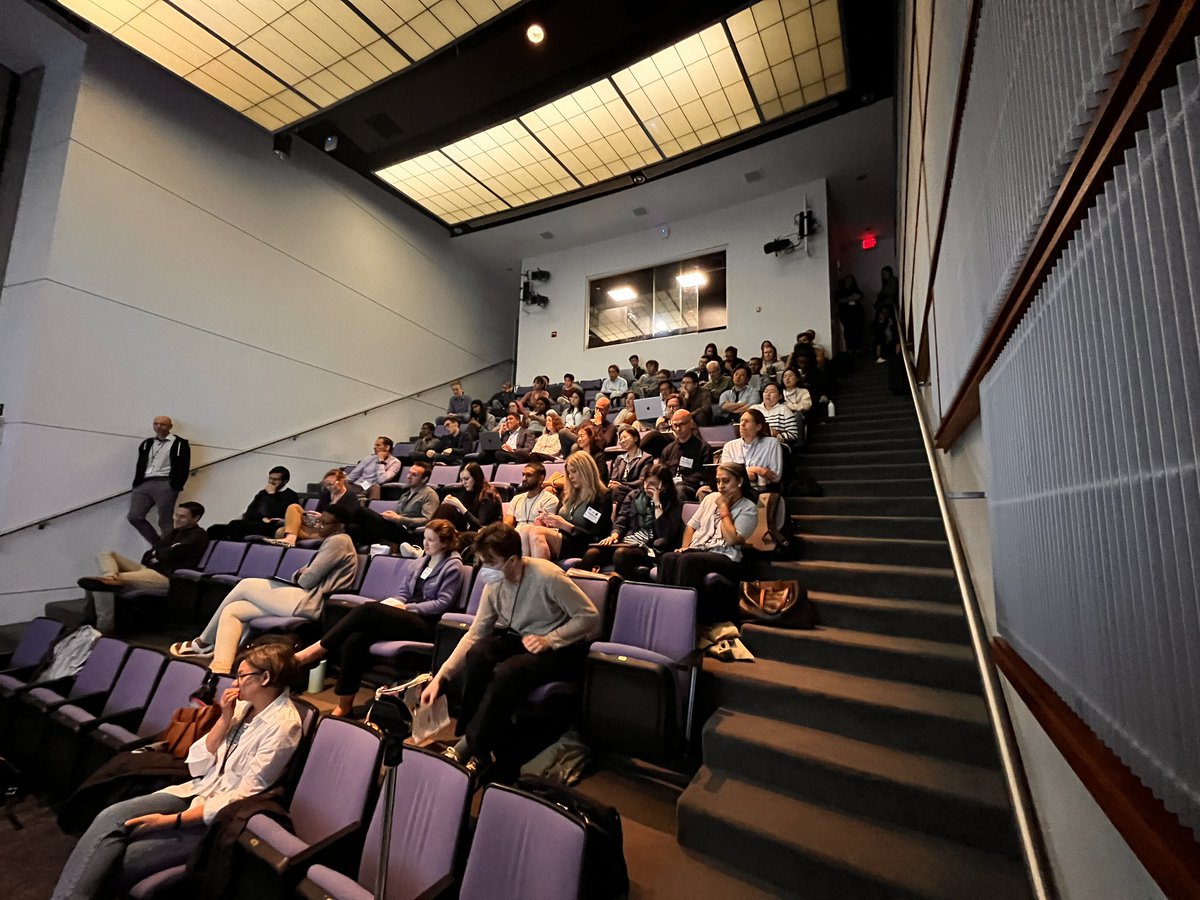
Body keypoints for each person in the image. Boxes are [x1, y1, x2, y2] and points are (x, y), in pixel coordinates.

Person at [51, 644, 303, 900]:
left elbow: (243, 795)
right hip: (197, 788)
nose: (235, 683)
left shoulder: (283, 726)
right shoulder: (241, 707)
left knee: (117, 859)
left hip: (218, 819)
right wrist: (224, 719)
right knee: (110, 816)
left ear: (265, 678)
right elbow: (197, 763)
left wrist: (171, 821)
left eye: (241, 675)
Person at [419, 523, 598, 771]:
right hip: (524, 638)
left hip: (560, 647)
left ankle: (470, 747)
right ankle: (473, 740)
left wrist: (550, 639)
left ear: (512, 560)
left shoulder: (548, 577)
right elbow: (475, 634)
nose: (485, 569)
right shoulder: (495, 583)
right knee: (479, 653)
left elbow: (589, 617)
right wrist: (441, 677)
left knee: (507, 672)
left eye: (490, 562)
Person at [170, 508, 356, 699]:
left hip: (310, 602)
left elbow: (306, 580)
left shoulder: (339, 540)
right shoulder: (335, 541)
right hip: (304, 596)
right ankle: (220, 671)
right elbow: (302, 575)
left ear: (340, 526)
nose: (319, 525)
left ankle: (203, 642)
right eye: (319, 521)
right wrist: (303, 573)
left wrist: (303, 573)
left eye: (324, 523)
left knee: (245, 585)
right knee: (234, 610)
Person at [294, 520, 464, 717]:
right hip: (406, 616)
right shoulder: (421, 562)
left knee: (368, 610)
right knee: (355, 638)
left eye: (431, 540)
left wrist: (407, 607)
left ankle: (313, 652)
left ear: (444, 543)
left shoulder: (453, 567)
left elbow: (442, 604)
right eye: (424, 538)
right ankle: (345, 703)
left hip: (427, 623)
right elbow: (402, 592)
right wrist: (395, 603)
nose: (425, 544)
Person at [78, 502, 209, 634]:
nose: (177, 519)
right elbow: (153, 552)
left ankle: (104, 627)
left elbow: (169, 554)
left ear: (196, 518)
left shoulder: (198, 536)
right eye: (176, 515)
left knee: (99, 583)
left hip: (165, 576)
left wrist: (159, 553)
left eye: (182, 517)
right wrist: (159, 553)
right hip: (149, 569)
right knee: (107, 554)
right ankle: (110, 576)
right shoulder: (175, 532)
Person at [657, 462, 758, 624]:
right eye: (718, 481)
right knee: (668, 558)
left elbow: (731, 539)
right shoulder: (711, 498)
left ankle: (685, 620)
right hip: (699, 550)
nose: (721, 486)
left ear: (739, 481)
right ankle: (665, 614)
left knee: (687, 561)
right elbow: (691, 526)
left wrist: (724, 508)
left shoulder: (749, 508)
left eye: (726, 481)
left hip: (726, 557)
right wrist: (686, 547)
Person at [577, 463, 684, 580]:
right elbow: (621, 520)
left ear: (664, 486)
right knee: (591, 554)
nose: (647, 487)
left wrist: (657, 503)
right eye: (646, 482)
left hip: (650, 548)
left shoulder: (673, 503)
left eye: (652, 484)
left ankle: (625, 591)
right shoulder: (633, 496)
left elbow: (664, 534)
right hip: (628, 541)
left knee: (621, 554)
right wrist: (614, 535)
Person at [519, 452, 611, 561]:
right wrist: (548, 522)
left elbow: (594, 535)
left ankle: (541, 575)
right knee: (525, 530)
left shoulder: (601, 497)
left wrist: (565, 525)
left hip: (584, 544)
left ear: (586, 471)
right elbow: (559, 524)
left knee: (536, 532)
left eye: (574, 471)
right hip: (564, 539)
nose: (570, 476)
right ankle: (528, 575)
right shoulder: (567, 495)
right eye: (568, 473)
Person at [129, 415, 192, 545]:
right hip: (144, 482)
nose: (158, 426)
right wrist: (137, 483)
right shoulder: (147, 443)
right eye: (156, 423)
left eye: (162, 424)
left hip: (165, 482)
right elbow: (140, 463)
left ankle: (167, 548)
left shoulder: (179, 443)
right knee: (134, 516)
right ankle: (158, 545)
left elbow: (184, 466)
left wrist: (175, 485)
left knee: (165, 519)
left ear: (170, 427)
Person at [353, 461, 440, 544]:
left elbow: (428, 520)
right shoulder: (405, 494)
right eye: (409, 473)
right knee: (354, 528)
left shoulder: (430, 494)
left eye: (414, 475)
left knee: (363, 511)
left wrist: (398, 519)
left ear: (424, 479)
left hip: (410, 533)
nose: (408, 476)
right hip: (397, 528)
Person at [207, 468, 299, 541]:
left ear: (285, 481)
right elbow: (249, 512)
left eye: (275, 479)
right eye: (270, 478)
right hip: (256, 523)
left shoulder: (290, 496)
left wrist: (271, 495)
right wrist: (262, 518)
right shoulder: (263, 493)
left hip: (273, 527)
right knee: (214, 529)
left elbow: (274, 513)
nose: (271, 482)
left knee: (236, 525)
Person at [276, 469, 363, 545]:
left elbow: (350, 518)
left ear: (341, 481)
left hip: (332, 529)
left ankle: (291, 538)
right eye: (326, 485)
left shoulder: (350, 496)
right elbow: (319, 512)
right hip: (318, 525)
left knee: (281, 532)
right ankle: (291, 537)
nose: (329, 488)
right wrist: (313, 518)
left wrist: (324, 517)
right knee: (293, 507)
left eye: (331, 484)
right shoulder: (326, 495)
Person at [721, 409, 783, 490]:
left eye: (746, 421)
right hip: (734, 490)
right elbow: (725, 474)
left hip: (762, 491)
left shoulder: (772, 443)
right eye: (741, 421)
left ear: (758, 427)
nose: (742, 424)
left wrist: (739, 474)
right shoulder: (729, 446)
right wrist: (759, 470)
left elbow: (775, 476)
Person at [435, 462, 503, 532]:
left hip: (486, 533)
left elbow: (480, 526)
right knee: (446, 508)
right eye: (461, 480)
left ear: (476, 478)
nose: (463, 483)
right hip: (468, 530)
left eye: (466, 479)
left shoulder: (487, 495)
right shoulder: (467, 492)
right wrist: (451, 503)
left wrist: (459, 506)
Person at [660, 409, 713, 499]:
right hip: (670, 486)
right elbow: (661, 473)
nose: (678, 429)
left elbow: (704, 475)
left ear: (691, 424)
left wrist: (681, 481)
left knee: (679, 490)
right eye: (675, 425)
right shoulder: (668, 450)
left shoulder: (704, 448)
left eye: (682, 424)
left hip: (693, 487)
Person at [504, 461, 560, 527]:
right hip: (516, 535)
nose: (524, 478)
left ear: (540, 478)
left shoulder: (550, 500)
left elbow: (546, 527)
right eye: (523, 475)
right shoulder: (516, 499)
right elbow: (507, 523)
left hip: (536, 534)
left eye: (529, 475)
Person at [607, 425, 651, 507]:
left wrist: (622, 485)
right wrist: (612, 483)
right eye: (620, 439)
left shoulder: (646, 458)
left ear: (635, 438)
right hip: (618, 489)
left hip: (634, 490)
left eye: (625, 437)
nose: (622, 441)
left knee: (617, 490)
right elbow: (614, 478)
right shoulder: (619, 458)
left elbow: (642, 481)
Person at [753, 382, 800, 446]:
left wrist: (777, 435)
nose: (768, 394)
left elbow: (793, 435)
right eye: (766, 391)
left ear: (780, 396)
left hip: (776, 445)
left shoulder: (784, 410)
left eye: (772, 392)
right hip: (754, 443)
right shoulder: (754, 408)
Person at [835, 274, 866, 353]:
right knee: (848, 331)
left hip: (857, 314)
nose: (849, 282)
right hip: (846, 314)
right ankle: (849, 348)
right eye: (847, 280)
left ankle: (857, 347)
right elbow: (840, 300)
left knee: (857, 330)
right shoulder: (840, 291)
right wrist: (850, 298)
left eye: (850, 281)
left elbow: (859, 296)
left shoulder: (856, 289)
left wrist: (847, 299)